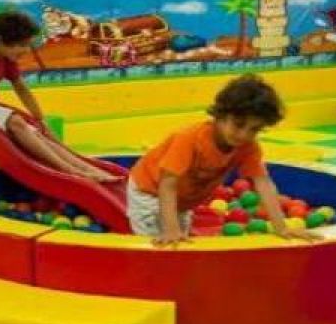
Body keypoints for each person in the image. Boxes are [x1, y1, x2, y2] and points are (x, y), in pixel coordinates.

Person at [129, 74, 317, 247]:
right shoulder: (189, 139)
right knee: (160, 241)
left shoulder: (248, 147)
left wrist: (281, 226)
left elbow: (263, 182)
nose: (244, 135)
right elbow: (167, 183)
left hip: (183, 199)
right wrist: (171, 229)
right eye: (238, 124)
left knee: (181, 240)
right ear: (220, 116)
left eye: (254, 129)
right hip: (150, 190)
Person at [0, 11, 114, 183]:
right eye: (22, 45)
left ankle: (87, 167)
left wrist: (40, 119)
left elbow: (22, 89)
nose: (26, 50)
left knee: (38, 134)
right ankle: (70, 170)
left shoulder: (6, 60)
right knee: (16, 123)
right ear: (0, 40)